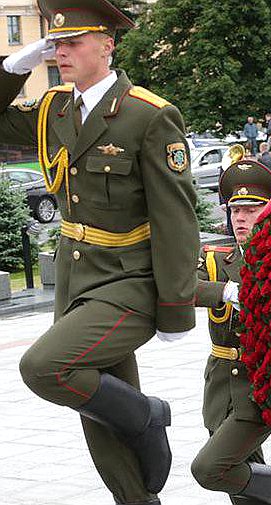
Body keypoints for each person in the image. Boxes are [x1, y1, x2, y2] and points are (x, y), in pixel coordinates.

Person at [7, 1, 199, 503]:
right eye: (56, 43)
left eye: (73, 43)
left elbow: (175, 218)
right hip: (76, 275)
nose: (61, 52)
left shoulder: (148, 115)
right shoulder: (54, 109)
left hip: (130, 279)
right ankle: (137, 499)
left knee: (46, 368)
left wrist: (175, 307)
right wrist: (12, 70)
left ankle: (148, 414)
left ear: (107, 45)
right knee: (95, 411)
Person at [191, 160, 271, 505]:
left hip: (262, 387)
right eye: (235, 209)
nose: (240, 218)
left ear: (269, 212)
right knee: (243, 488)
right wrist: (222, 292)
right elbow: (176, 288)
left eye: (251, 210)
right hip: (221, 384)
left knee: (210, 468)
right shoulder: (215, 260)